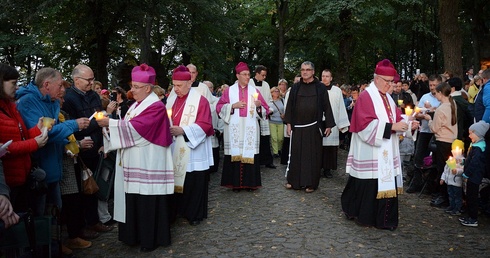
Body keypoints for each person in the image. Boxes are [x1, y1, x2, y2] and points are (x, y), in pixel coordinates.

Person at [96, 63, 174, 251]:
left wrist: (111, 123)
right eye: (132, 86)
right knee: (134, 198)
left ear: (148, 88)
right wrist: (110, 127)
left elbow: (139, 130)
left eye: (136, 87)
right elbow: (128, 125)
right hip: (134, 160)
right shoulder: (136, 106)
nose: (132, 90)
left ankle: (150, 239)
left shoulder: (155, 106)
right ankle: (133, 236)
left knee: (146, 200)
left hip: (148, 161)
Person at [341, 59, 419, 230]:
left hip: (386, 151)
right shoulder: (366, 96)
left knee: (382, 182)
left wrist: (408, 125)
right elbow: (364, 125)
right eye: (387, 81)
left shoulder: (388, 99)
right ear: (376, 79)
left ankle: (384, 220)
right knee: (368, 185)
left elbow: (396, 119)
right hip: (369, 151)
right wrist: (393, 127)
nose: (390, 85)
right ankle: (366, 216)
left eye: (392, 82)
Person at [16, 67, 90, 216]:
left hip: (53, 168)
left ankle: (55, 240)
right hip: (39, 171)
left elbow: (54, 132)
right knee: (42, 216)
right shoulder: (28, 102)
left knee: (55, 211)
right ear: (47, 85)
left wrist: (69, 145)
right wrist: (73, 124)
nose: (62, 89)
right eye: (60, 85)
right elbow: (44, 135)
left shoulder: (53, 102)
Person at [62, 64, 115, 235]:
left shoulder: (93, 96)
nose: (91, 83)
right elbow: (71, 126)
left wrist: (103, 143)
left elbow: (100, 118)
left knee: (94, 186)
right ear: (76, 80)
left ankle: (94, 221)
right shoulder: (69, 98)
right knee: (80, 189)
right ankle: (83, 225)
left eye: (93, 79)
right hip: (79, 151)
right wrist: (93, 126)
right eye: (88, 80)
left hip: (96, 149)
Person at [166, 65, 214, 226]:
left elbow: (206, 125)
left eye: (179, 85)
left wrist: (183, 130)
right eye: (174, 85)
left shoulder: (200, 100)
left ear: (188, 83)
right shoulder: (171, 99)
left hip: (193, 149)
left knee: (193, 181)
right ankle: (176, 211)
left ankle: (193, 213)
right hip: (174, 147)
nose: (176, 89)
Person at [216, 62, 269, 192]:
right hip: (235, 127)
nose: (247, 77)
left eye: (248, 74)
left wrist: (258, 105)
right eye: (244, 74)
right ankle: (235, 184)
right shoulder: (229, 91)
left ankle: (250, 183)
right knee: (235, 153)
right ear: (237, 75)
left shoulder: (254, 91)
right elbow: (218, 107)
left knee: (250, 154)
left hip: (250, 128)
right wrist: (232, 106)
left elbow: (266, 109)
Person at [283, 61, 335, 193]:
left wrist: (328, 124)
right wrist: (289, 123)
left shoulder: (320, 87)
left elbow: (326, 106)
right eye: (302, 70)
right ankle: (294, 181)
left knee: (312, 157)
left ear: (313, 71)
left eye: (307, 69)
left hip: (313, 127)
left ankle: (310, 183)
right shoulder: (295, 87)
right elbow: (290, 106)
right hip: (297, 127)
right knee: (296, 155)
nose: (304, 72)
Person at [406, 75, 443, 193]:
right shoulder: (424, 97)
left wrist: (432, 112)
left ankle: (431, 185)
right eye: (430, 85)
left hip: (437, 133)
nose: (432, 88)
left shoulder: (443, 98)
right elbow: (417, 113)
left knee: (434, 160)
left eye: (434, 85)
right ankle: (416, 182)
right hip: (425, 131)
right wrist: (424, 114)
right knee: (418, 156)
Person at [423, 82, 458, 208]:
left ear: (440, 93)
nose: (435, 94)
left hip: (443, 141)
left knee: (442, 169)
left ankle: (443, 196)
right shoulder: (452, 104)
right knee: (449, 168)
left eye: (436, 92)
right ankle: (448, 197)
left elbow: (434, 129)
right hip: (452, 140)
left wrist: (429, 120)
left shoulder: (441, 109)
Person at [320, 69, 350, 178]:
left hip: (333, 123)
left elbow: (341, 107)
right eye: (323, 76)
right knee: (319, 147)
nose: (325, 78)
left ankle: (327, 170)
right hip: (319, 122)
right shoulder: (316, 88)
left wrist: (342, 124)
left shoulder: (336, 90)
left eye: (327, 76)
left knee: (330, 148)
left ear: (331, 78)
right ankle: (317, 168)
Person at [460, 121, 489, 227]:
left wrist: (467, 173)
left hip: (474, 177)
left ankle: (473, 218)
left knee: (472, 197)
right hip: (472, 176)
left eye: (471, 133)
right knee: (469, 196)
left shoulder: (479, 149)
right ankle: (470, 216)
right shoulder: (475, 145)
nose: (469, 135)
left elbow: (474, 163)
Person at [249, 65, 276, 168]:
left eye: (265, 75)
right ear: (257, 73)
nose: (264, 77)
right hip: (252, 115)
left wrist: (269, 110)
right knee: (254, 138)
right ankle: (254, 160)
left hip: (263, 115)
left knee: (265, 138)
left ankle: (267, 161)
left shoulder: (266, 85)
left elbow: (269, 100)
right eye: (262, 75)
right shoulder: (250, 83)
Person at [203, 81, 224, 174]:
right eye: (205, 88)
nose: (207, 90)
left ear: (212, 89)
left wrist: (220, 129)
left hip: (214, 132)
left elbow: (221, 116)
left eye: (209, 88)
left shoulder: (216, 101)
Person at [440, 140, 464, 216]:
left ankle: (457, 208)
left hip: (457, 183)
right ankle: (452, 206)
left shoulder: (462, 161)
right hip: (449, 182)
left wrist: (456, 171)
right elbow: (445, 170)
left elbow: (462, 170)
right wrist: (443, 178)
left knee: (457, 196)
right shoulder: (450, 160)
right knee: (451, 195)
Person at [269, 86, 285, 158]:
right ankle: (275, 152)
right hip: (272, 121)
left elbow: (286, 109)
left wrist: (284, 115)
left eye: (278, 91)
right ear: (271, 93)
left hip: (281, 121)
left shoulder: (282, 100)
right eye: (275, 91)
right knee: (274, 138)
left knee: (280, 138)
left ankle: (279, 149)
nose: (277, 92)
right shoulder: (269, 101)